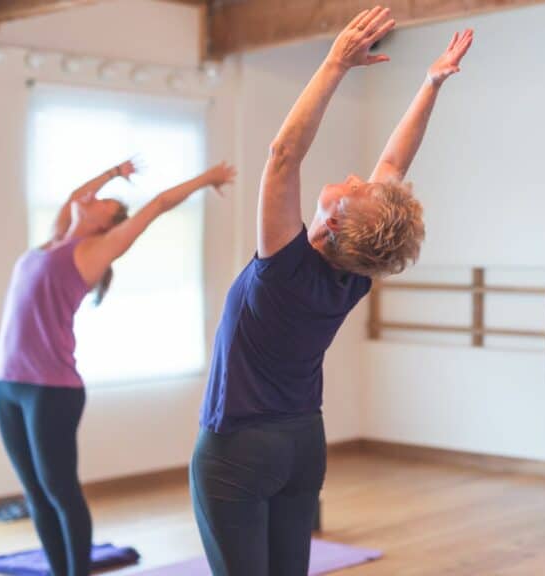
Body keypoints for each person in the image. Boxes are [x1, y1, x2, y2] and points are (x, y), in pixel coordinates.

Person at [190, 7, 473, 574]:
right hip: (301, 444)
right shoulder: (354, 274)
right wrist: (430, 83)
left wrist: (336, 62)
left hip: (240, 449)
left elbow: (283, 155)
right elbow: (395, 160)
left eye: (356, 189)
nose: (357, 176)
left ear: (338, 222)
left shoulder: (283, 272)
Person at [0, 159, 235, 576]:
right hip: (6, 382)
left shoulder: (91, 252)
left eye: (102, 201)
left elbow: (157, 205)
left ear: (108, 225)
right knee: (34, 494)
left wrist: (207, 179)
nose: (91, 198)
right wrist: (111, 173)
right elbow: (73, 197)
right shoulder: (53, 240)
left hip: (51, 390)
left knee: (59, 491)